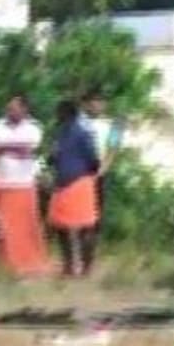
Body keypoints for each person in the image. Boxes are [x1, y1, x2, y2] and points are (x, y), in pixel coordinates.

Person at [0, 95, 50, 276]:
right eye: (9, 108)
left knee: (27, 225)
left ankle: (29, 259)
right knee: (4, 225)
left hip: (24, 184)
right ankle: (5, 261)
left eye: (14, 108)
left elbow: (30, 148)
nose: (10, 111)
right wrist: (12, 148)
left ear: (24, 109)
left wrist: (3, 147)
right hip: (3, 183)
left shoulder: (33, 127)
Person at [48, 100, 101, 277]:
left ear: (67, 113)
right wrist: (52, 155)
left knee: (85, 225)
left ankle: (86, 266)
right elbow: (52, 159)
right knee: (61, 225)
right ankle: (69, 266)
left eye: (59, 113)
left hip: (79, 182)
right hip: (61, 184)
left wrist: (87, 175)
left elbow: (93, 159)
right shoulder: (60, 133)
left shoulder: (83, 133)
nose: (57, 117)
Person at [81, 91, 123, 237]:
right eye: (95, 101)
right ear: (86, 104)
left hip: (98, 169)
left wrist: (102, 170)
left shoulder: (112, 124)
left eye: (101, 102)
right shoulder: (78, 122)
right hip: (77, 169)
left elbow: (113, 148)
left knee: (96, 209)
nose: (98, 105)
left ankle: (91, 241)